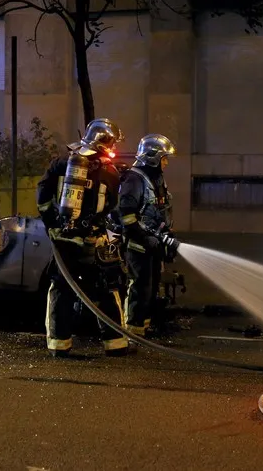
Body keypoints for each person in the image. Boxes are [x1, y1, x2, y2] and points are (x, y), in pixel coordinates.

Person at [36, 118, 130, 358]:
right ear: (105, 142)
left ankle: (59, 343)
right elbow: (112, 206)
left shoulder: (61, 164)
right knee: (107, 289)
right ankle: (115, 342)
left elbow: (43, 195)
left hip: (64, 240)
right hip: (93, 241)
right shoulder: (109, 172)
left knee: (61, 289)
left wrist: (53, 225)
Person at [117, 134, 180, 338]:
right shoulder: (134, 179)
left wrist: (167, 237)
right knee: (139, 287)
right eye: (164, 158)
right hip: (138, 245)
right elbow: (127, 216)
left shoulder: (156, 179)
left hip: (153, 244)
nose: (166, 163)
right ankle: (132, 331)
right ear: (152, 156)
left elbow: (161, 210)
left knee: (151, 288)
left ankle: (142, 329)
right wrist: (146, 240)